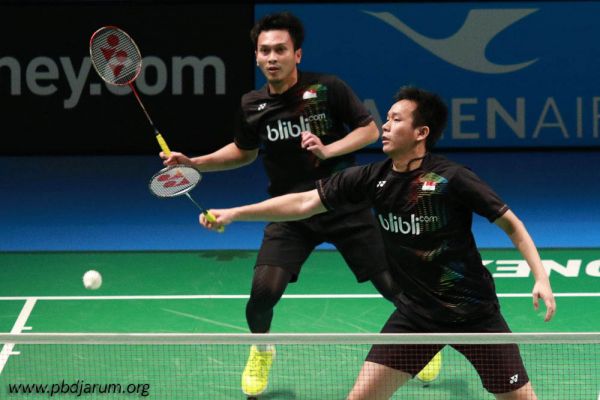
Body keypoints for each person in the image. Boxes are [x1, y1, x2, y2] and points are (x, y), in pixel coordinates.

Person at [199, 86, 557, 400]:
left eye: (396, 119)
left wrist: (540, 277)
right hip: (416, 316)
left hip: (473, 315)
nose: (385, 125)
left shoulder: (451, 178)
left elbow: (512, 224)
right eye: (386, 118)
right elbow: (304, 203)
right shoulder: (373, 178)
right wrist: (234, 213)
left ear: (421, 133)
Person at [160, 12, 438, 397]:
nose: (272, 57)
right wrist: (195, 163)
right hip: (290, 210)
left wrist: (328, 150)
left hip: (343, 203)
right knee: (262, 293)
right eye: (264, 51)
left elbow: (369, 130)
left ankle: (421, 343)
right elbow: (244, 151)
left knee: (394, 287)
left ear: (297, 54)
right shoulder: (252, 104)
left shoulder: (328, 88)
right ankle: (262, 350)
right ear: (256, 57)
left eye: (280, 49)